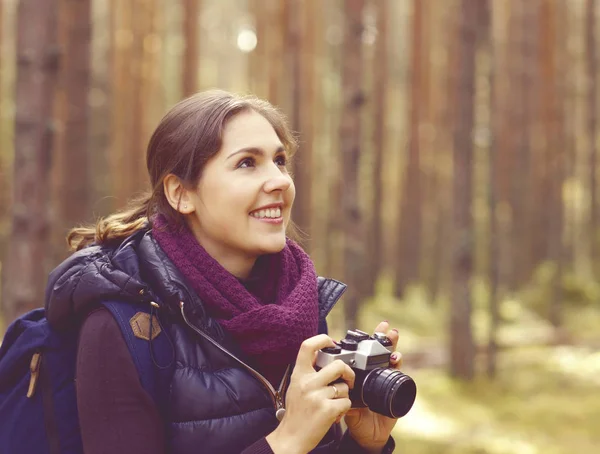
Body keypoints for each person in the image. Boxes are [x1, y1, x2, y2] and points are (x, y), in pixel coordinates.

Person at [45, 90, 403, 453]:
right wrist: (284, 442)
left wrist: (363, 445)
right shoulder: (122, 326)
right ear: (181, 193)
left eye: (279, 161)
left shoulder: (300, 306)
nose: (279, 180)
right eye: (247, 163)